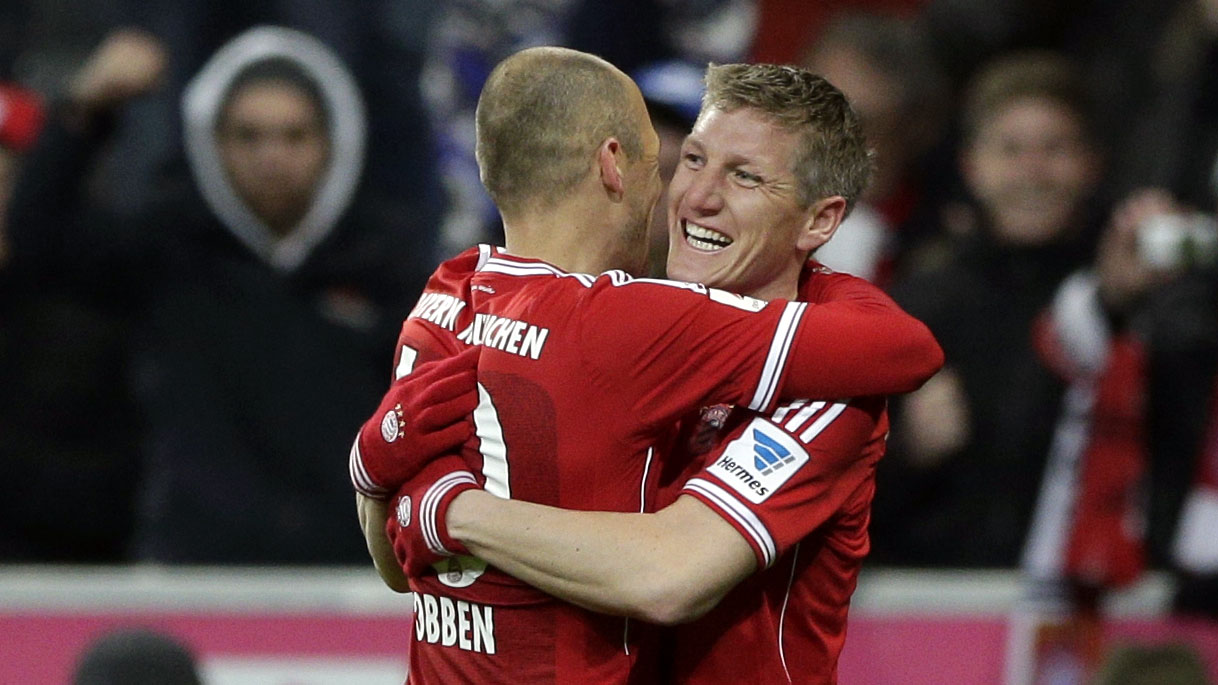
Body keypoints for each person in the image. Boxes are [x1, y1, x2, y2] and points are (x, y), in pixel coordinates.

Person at [353, 54, 942, 682]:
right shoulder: (598, 319)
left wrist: (451, 513)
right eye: (693, 159)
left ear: (820, 220)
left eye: (745, 177)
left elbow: (668, 575)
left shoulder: (833, 385)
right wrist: (374, 475)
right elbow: (404, 561)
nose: (698, 197)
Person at [5, 27, 429, 563]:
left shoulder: (389, 264)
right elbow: (41, 241)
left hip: (347, 574)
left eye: (294, 135)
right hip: (193, 569)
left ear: (333, 141)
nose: (272, 156)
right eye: (248, 136)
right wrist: (86, 113)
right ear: (213, 142)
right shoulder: (168, 247)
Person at [873, 51, 1103, 568]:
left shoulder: (1129, 308)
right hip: (944, 603)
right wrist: (907, 452)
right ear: (972, 167)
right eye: (1011, 150)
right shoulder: (912, 312)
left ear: (1092, 164)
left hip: (1095, 598)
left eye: (1055, 148)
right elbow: (834, 500)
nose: (1033, 171)